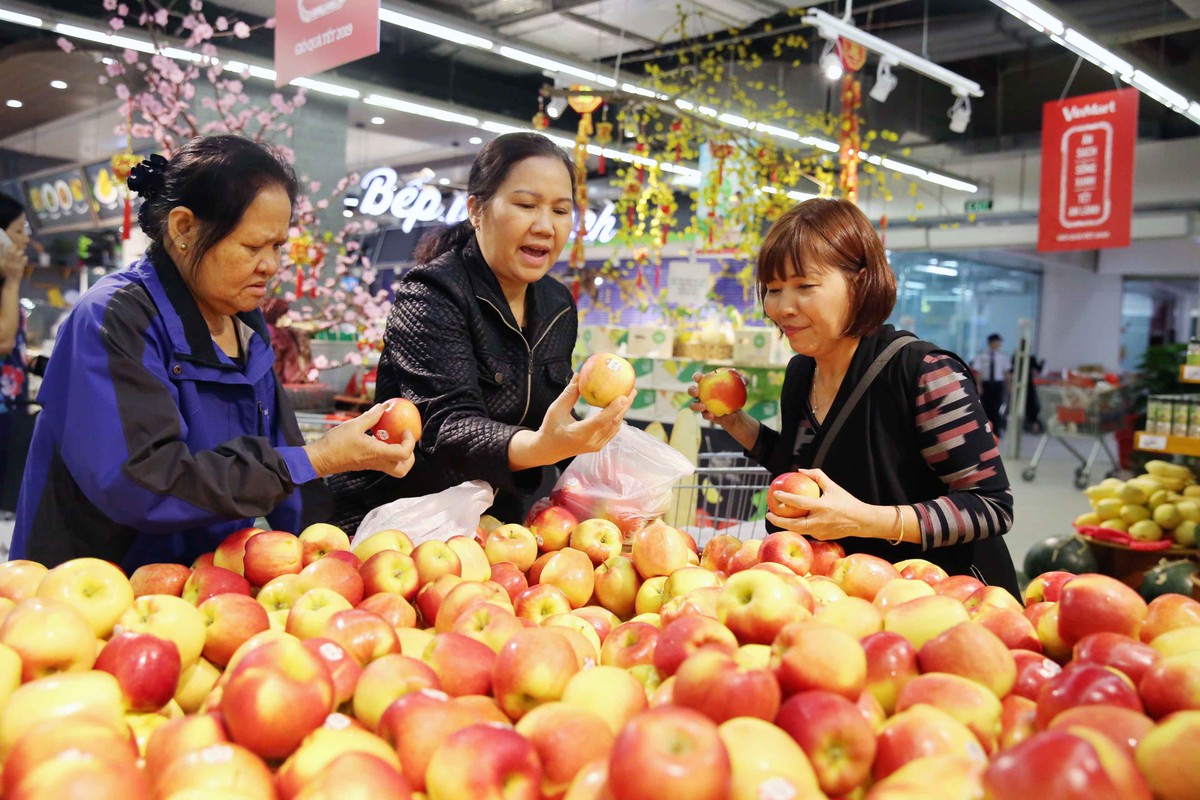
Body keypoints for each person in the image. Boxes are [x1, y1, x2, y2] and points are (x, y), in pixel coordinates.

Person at [11, 136, 417, 571]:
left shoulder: (245, 323)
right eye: (251, 247)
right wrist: (318, 458)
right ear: (184, 228)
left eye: (277, 246)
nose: (271, 265)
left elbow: (284, 462)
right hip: (95, 589)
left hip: (204, 587)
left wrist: (333, 557)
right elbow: (144, 482)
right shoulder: (114, 318)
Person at [690, 198, 1018, 595]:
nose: (782, 307)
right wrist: (734, 422)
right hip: (847, 598)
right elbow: (806, 467)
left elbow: (991, 506)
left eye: (804, 286)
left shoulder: (925, 372)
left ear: (860, 282)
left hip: (933, 600)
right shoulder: (801, 372)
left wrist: (865, 519)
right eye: (773, 289)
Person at [330, 132, 632, 531]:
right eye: (526, 205)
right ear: (476, 209)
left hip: (497, 524)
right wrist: (542, 445)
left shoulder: (558, 304)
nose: (545, 226)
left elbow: (545, 410)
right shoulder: (432, 293)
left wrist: (604, 464)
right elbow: (447, 427)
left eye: (561, 210)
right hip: (408, 523)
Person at [0, 194, 31, 512]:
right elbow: (3, 342)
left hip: (11, 411)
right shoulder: (8, 282)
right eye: (19, 229)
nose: (25, 239)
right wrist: (11, 281)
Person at [972, 332, 1011, 438]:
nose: (998, 344)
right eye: (997, 342)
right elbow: (978, 373)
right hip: (986, 384)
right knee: (985, 407)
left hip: (998, 385)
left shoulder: (1003, 356)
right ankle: (985, 430)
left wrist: (1009, 385)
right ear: (991, 343)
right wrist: (979, 386)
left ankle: (996, 430)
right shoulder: (982, 356)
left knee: (997, 407)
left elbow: (1006, 372)